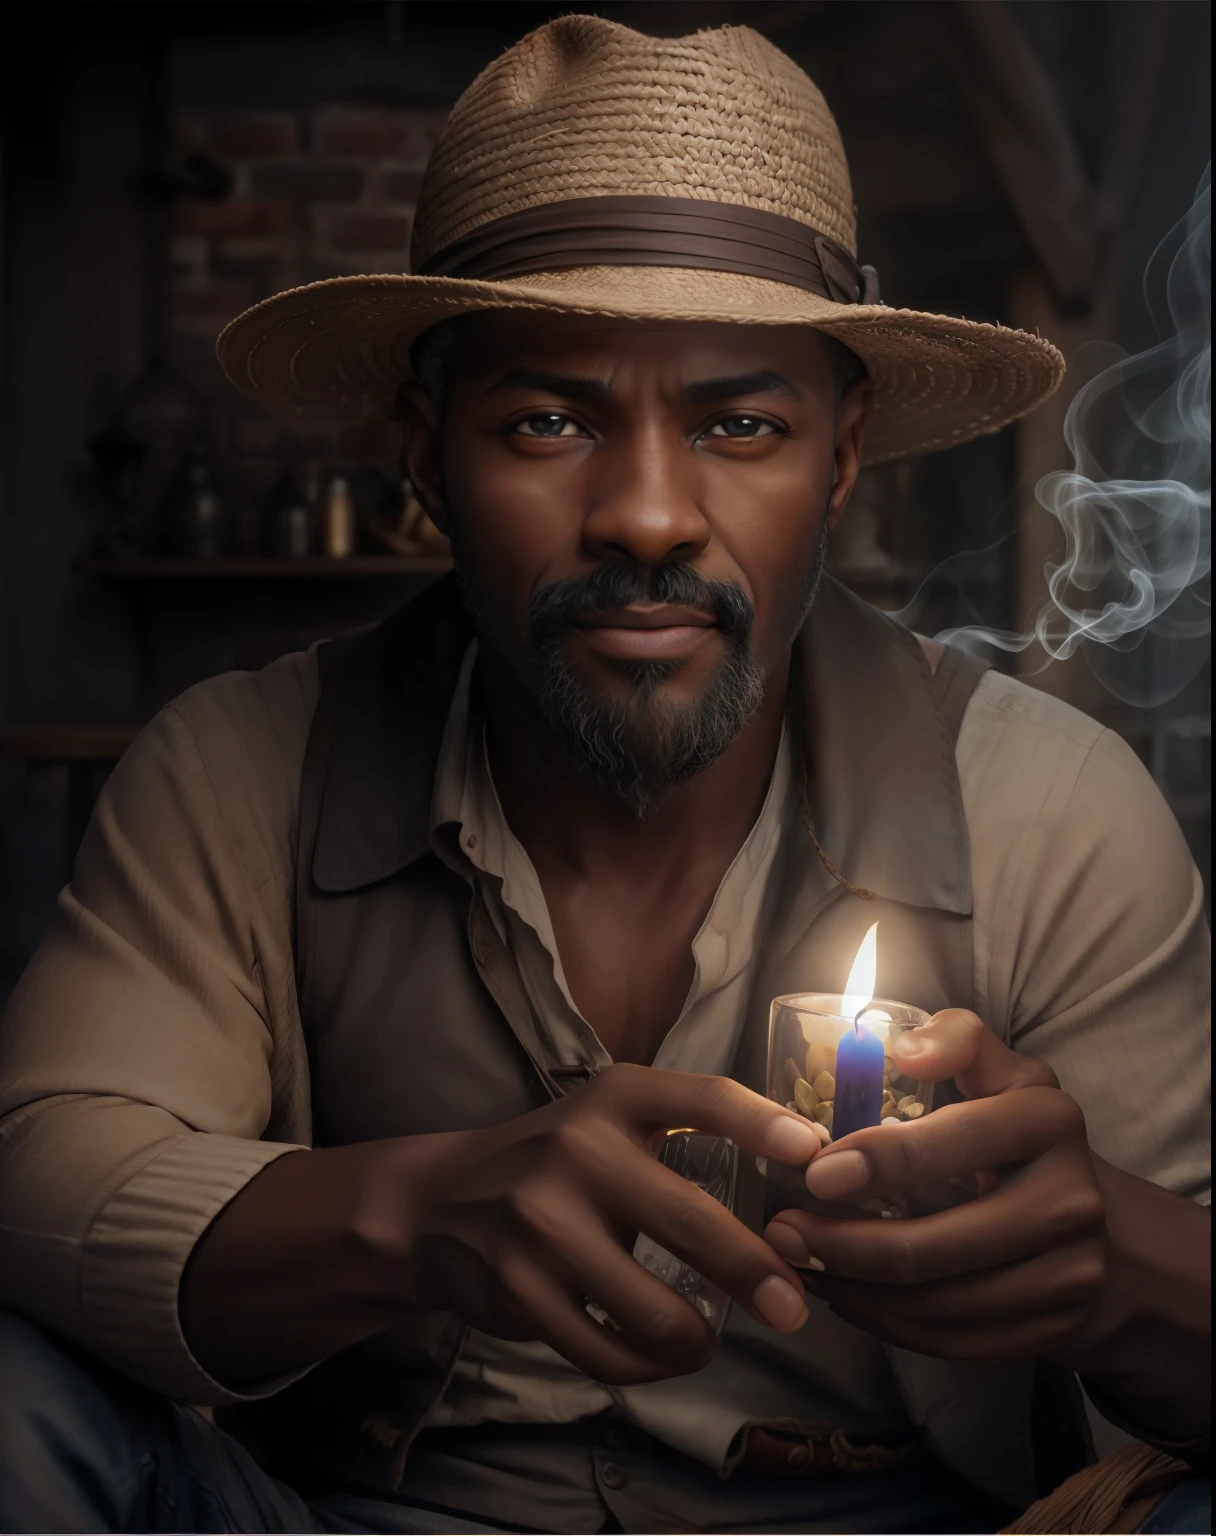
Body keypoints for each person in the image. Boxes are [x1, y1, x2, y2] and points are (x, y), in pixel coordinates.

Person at [0, 15, 1209, 1535]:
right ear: (428, 459)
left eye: (742, 423)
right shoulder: (243, 768)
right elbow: (38, 1171)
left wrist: (1110, 1263)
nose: (646, 514)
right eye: (549, 420)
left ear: (840, 463)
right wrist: (417, 1213)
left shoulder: (1055, 813)